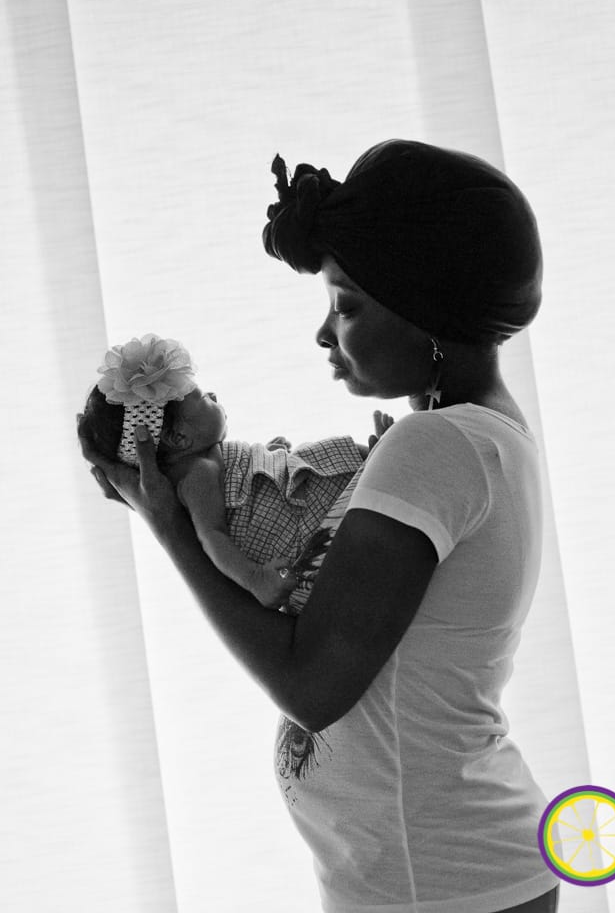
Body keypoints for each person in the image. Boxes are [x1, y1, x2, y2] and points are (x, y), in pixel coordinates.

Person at [78, 139, 560, 913]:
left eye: (348, 305)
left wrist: (170, 527)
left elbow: (313, 686)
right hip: (438, 868)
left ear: (425, 311)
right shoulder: (477, 435)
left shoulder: (436, 444)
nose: (324, 333)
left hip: (436, 877)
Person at [78, 332, 390, 610]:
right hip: (299, 527)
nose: (212, 395)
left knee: (315, 461)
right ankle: (381, 462)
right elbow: (212, 535)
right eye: (201, 398)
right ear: (178, 438)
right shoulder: (198, 473)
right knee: (324, 459)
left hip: (295, 507)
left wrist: (268, 454)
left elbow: (245, 490)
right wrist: (255, 579)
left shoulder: (209, 461)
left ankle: (379, 463)